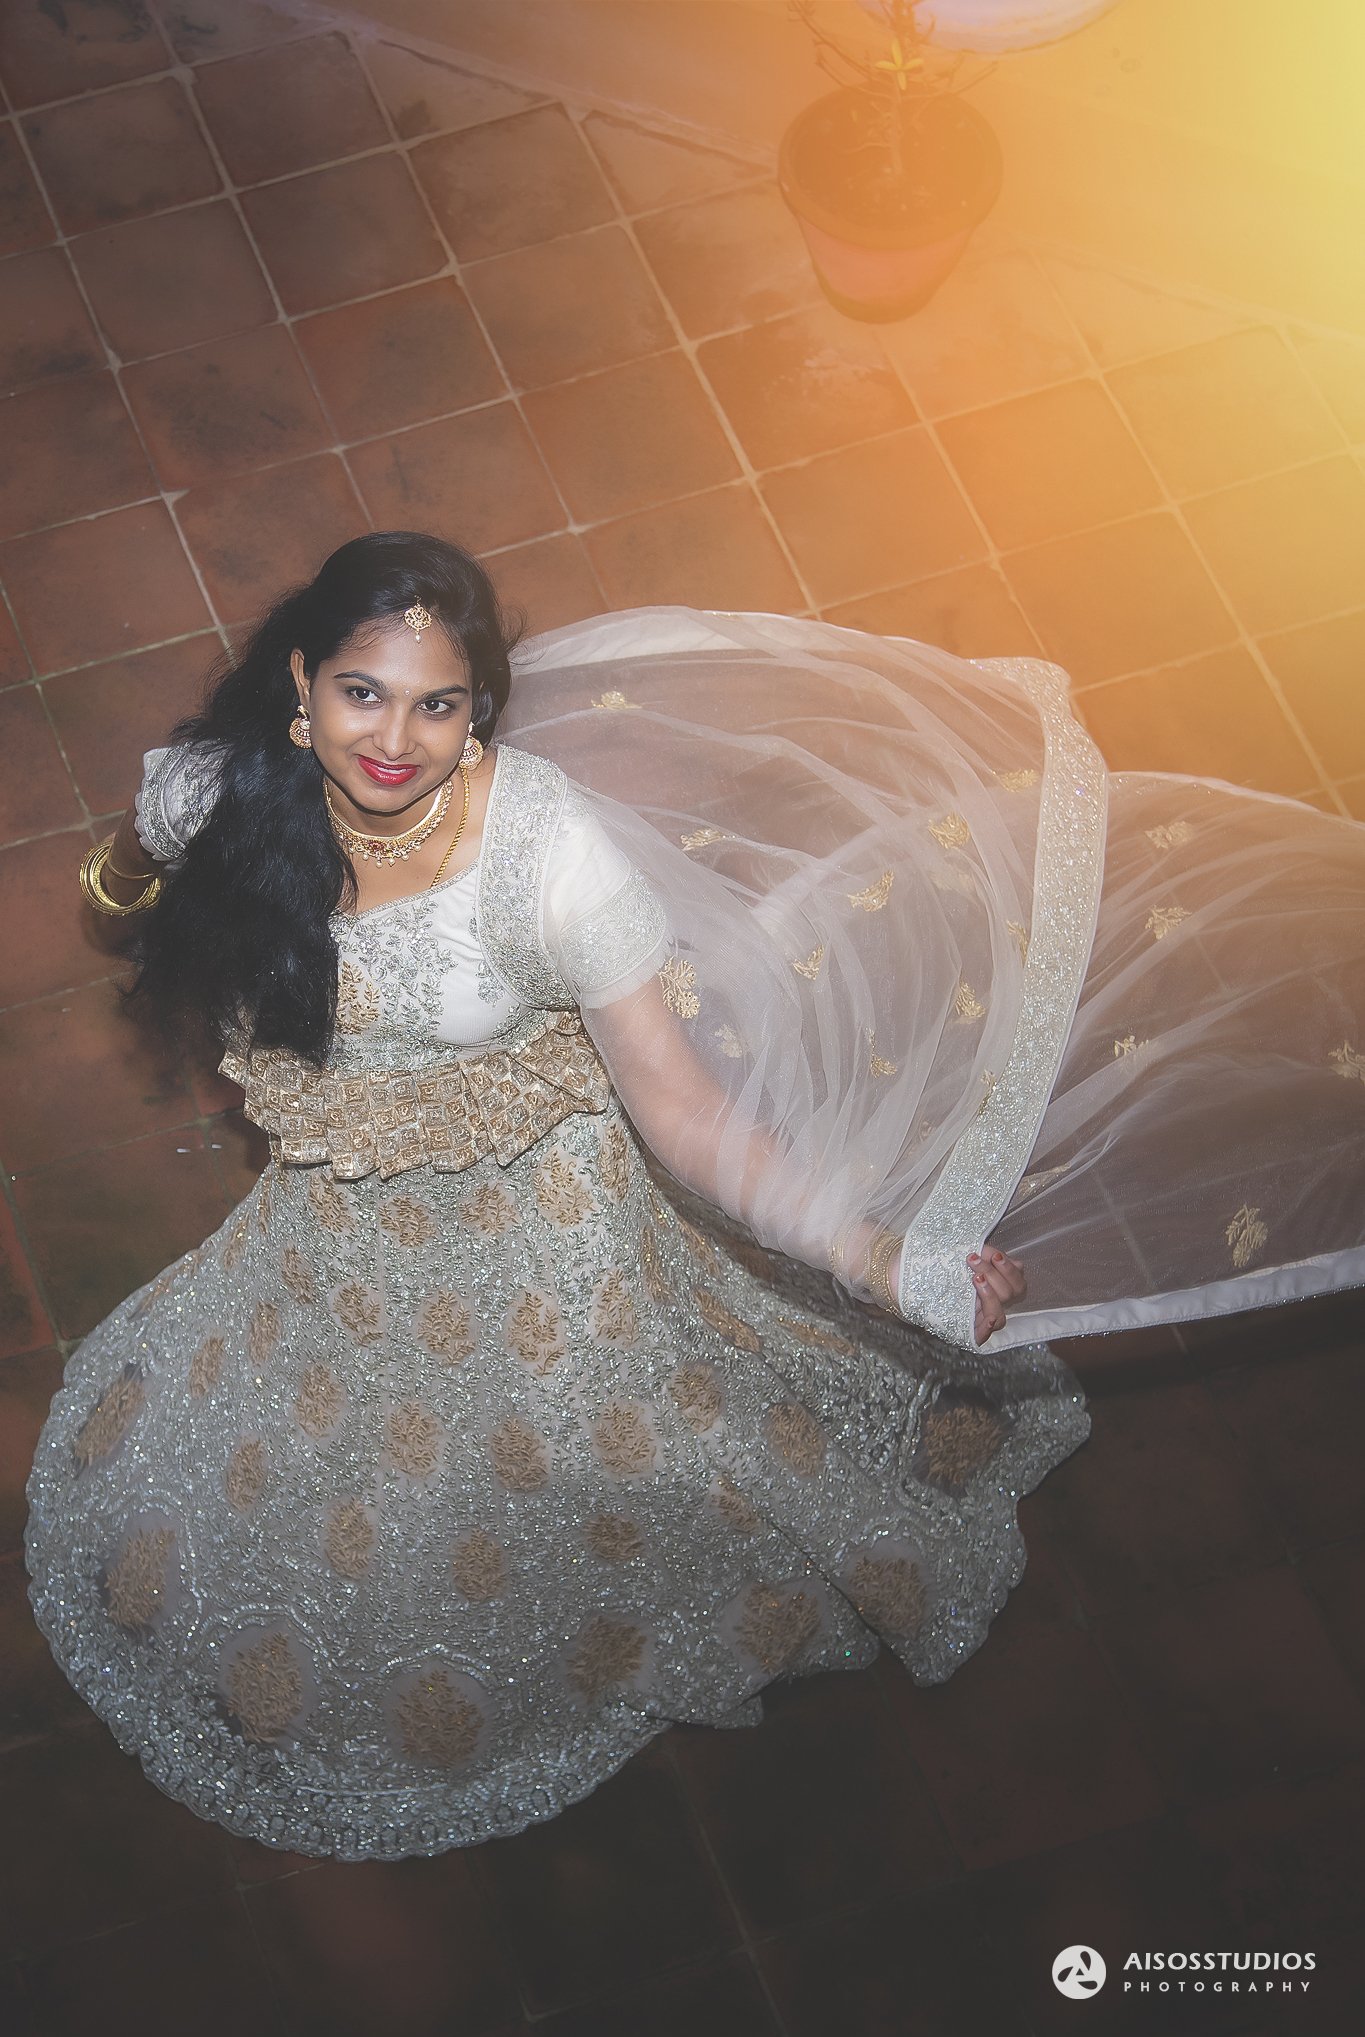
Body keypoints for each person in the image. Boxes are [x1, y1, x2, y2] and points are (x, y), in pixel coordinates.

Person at [24, 531, 1363, 1862]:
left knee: (570, 1420)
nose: (393, 741)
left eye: (438, 706)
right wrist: (122, 886)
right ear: (301, 682)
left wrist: (875, 1258)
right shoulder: (221, 789)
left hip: (542, 1220)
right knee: (341, 1403)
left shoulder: (554, 859)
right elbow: (135, 860)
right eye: (361, 694)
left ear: (479, 711)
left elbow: (684, 1111)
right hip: (342, 1220)